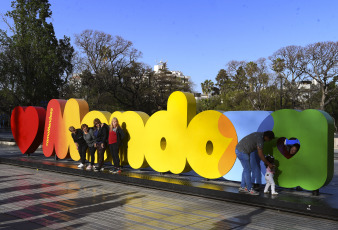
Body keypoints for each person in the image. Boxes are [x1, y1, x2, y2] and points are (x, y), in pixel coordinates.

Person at [236, 131, 275, 195]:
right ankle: (249, 189)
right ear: (266, 137)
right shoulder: (260, 140)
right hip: (242, 151)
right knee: (248, 170)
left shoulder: (260, 134)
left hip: (239, 149)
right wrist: (268, 163)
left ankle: (242, 187)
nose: (269, 141)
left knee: (246, 169)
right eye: (269, 139)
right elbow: (260, 154)